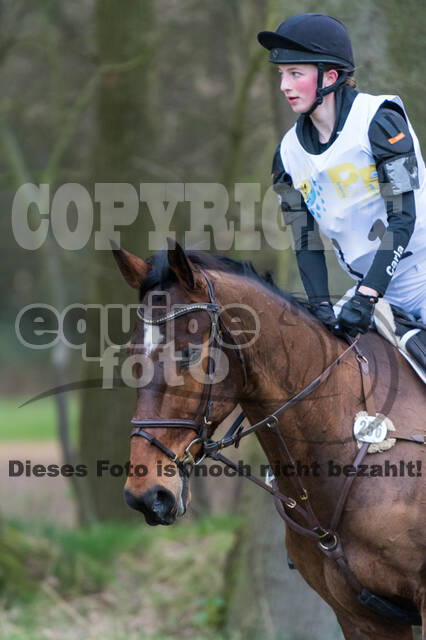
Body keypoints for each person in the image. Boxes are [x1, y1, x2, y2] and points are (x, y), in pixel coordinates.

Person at [257, 13, 426, 369]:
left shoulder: (382, 122)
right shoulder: (286, 157)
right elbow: (305, 241)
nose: (285, 85)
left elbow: (403, 218)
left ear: (330, 77)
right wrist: (319, 307)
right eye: (282, 75)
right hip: (375, 292)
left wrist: (367, 295)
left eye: (295, 74)